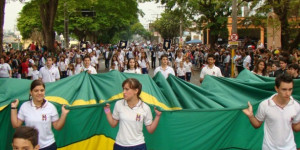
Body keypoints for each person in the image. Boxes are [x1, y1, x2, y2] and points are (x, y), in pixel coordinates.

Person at [243, 74, 300, 150]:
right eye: (284, 89)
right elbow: (257, 124)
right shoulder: (265, 105)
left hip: (290, 147)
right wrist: (251, 116)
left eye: (290, 89)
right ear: (276, 88)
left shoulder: (296, 106)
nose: (288, 93)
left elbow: (295, 128)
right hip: (269, 148)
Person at [104, 78, 162, 150]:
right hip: (120, 145)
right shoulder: (118, 104)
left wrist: (158, 116)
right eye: (123, 89)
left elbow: (150, 130)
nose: (124, 92)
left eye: (127, 89)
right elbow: (113, 124)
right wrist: (107, 110)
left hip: (138, 145)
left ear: (136, 91)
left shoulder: (145, 108)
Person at [11, 80, 70, 150]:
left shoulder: (51, 107)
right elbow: (16, 125)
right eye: (36, 91)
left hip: (49, 145)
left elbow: (57, 127)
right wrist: (13, 107)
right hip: (30, 147)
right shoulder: (25, 106)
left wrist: (64, 114)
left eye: (42, 90)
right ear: (31, 92)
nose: (39, 93)